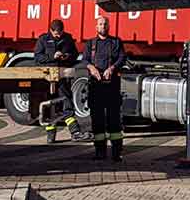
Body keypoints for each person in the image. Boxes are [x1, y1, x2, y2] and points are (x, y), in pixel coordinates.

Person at [33, 20, 90, 142]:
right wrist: (52, 57)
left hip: (63, 76)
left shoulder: (67, 38)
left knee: (67, 102)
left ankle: (75, 132)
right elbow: (37, 58)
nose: (59, 36)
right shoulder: (43, 39)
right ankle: (50, 136)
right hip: (48, 78)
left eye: (60, 33)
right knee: (49, 105)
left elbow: (74, 54)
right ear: (51, 31)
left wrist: (67, 56)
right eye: (56, 34)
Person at [82, 16, 127, 162]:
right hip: (96, 87)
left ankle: (116, 153)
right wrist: (91, 68)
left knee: (114, 120)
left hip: (112, 86)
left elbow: (122, 58)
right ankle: (100, 152)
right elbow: (84, 60)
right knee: (97, 120)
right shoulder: (90, 43)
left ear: (109, 26)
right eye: (100, 24)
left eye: (105, 24)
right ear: (96, 27)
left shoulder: (116, 42)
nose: (103, 26)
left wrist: (112, 68)